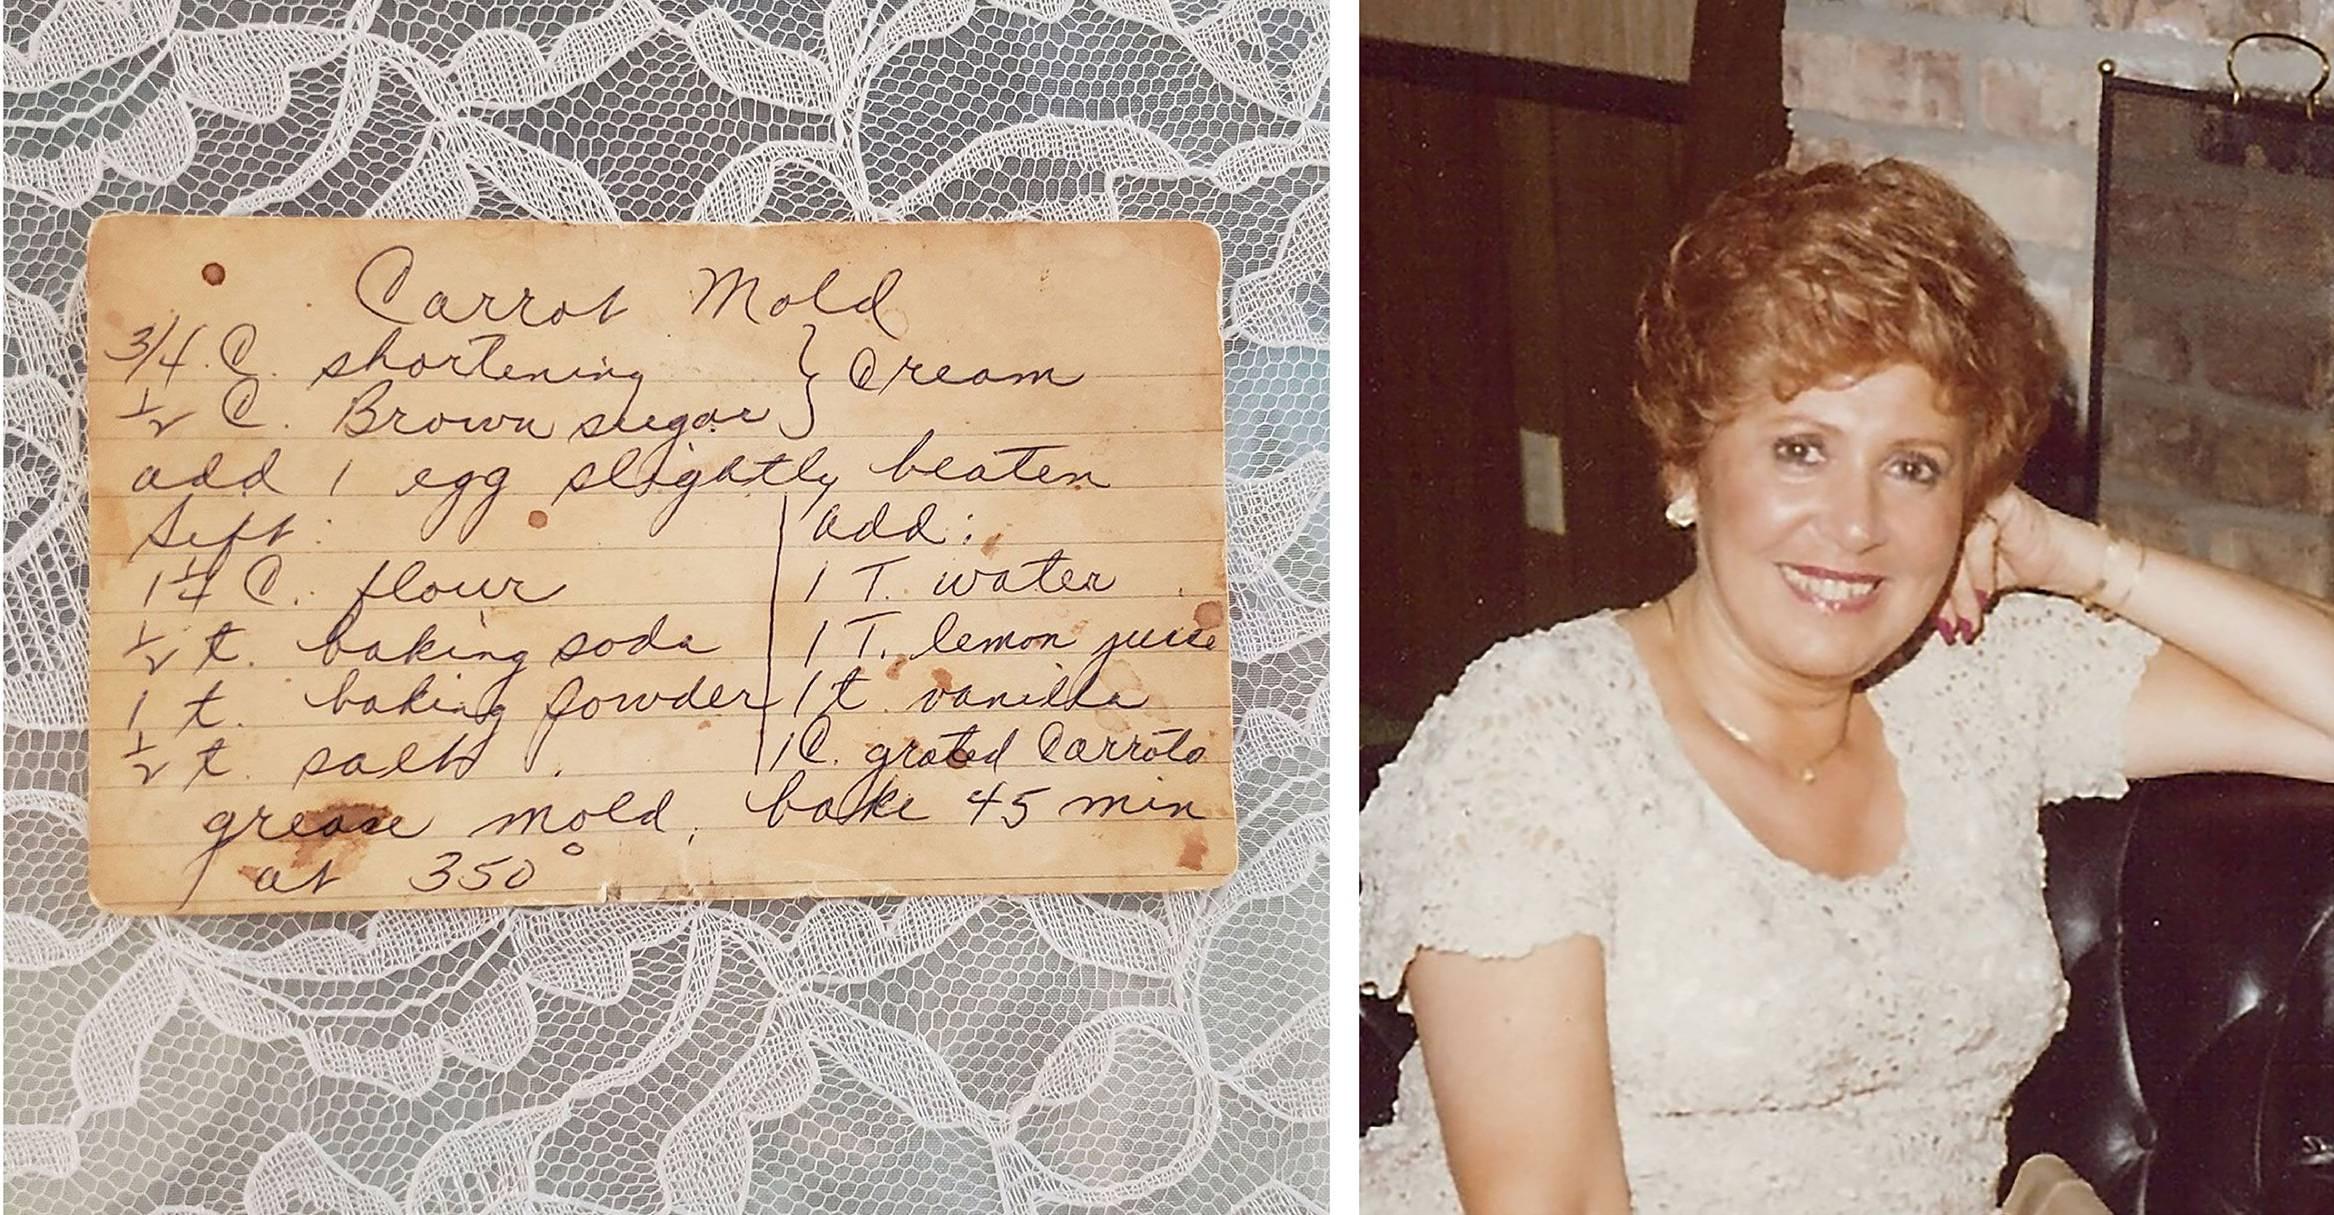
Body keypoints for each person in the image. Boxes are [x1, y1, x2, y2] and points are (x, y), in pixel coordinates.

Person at [1357, 159, 2334, 1215]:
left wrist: (2082, 559)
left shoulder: (1981, 680)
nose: (1857, 523)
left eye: (1912, 466)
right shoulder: (1540, 730)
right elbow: (1551, 1204)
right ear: (1686, 469)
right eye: (1801, 450)